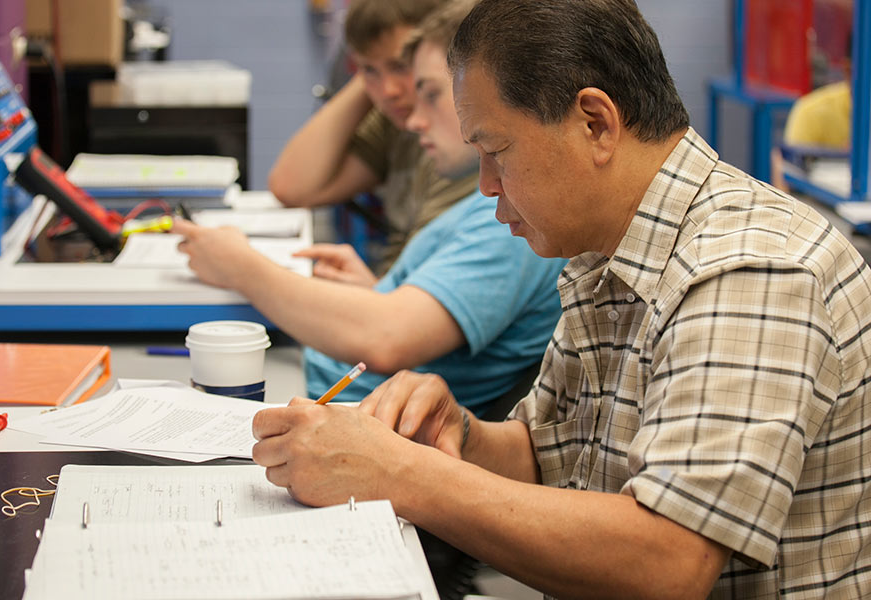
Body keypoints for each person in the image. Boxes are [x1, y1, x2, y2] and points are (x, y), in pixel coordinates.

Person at [250, 0, 871, 596]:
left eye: (496, 152)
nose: (487, 187)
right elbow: (557, 458)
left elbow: (668, 563)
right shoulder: (606, 247)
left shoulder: (748, 270)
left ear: (595, 123)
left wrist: (403, 475)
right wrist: (459, 435)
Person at [172, 0, 561, 413]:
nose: (411, 119)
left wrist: (239, 265)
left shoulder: (510, 222)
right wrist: (379, 293)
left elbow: (387, 337)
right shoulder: (483, 204)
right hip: (337, 386)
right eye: (370, 71)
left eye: (428, 92)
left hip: (356, 408)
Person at [269, 0, 478, 272]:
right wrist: (367, 80)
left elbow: (419, 288)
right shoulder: (396, 120)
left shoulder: (461, 145)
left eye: (401, 65)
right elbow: (292, 186)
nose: (388, 90)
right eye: (369, 70)